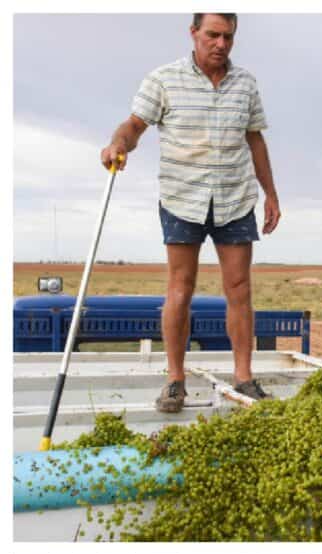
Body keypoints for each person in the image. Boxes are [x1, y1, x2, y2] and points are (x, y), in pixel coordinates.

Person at [100, 14, 281, 413]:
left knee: (239, 289)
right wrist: (118, 144)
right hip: (183, 196)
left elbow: (255, 139)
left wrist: (270, 193)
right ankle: (175, 382)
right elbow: (134, 125)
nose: (220, 44)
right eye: (213, 35)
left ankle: (245, 378)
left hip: (234, 198)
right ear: (194, 33)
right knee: (180, 288)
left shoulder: (245, 83)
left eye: (228, 37)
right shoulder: (163, 79)